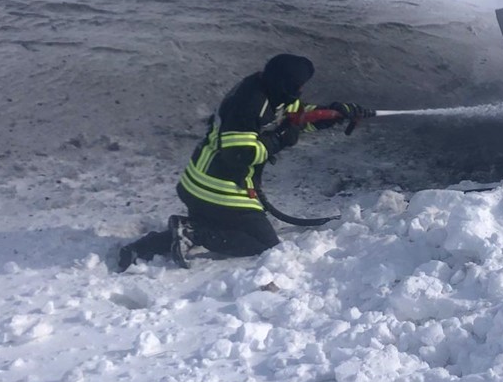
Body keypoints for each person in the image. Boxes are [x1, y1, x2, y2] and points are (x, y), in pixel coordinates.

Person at [117, 54, 369, 272]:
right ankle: (193, 232)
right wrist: (281, 139)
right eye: (299, 86)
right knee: (261, 242)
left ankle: (150, 246)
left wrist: (335, 113)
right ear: (286, 85)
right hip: (217, 188)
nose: (302, 91)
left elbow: (296, 116)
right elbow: (240, 155)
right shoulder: (250, 104)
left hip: (202, 185)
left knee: (217, 227)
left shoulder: (272, 91)